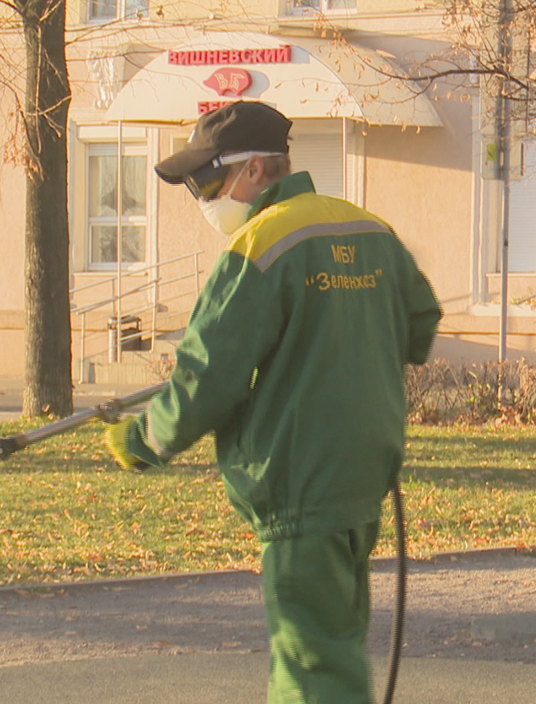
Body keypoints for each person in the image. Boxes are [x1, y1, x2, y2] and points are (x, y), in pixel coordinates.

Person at [103, 101, 442, 704]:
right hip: (362, 479)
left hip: (297, 485)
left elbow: (208, 376)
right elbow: (420, 324)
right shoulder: (368, 229)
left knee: (311, 667)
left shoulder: (259, 246)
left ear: (255, 169)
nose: (203, 197)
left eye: (206, 179)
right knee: (334, 640)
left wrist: (144, 439)